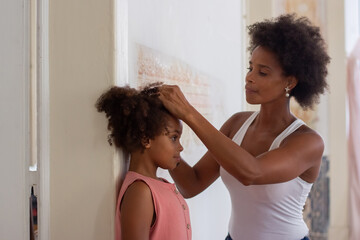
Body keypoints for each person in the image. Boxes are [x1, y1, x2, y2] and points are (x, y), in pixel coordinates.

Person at [159, 14, 330, 240]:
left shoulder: (308, 142)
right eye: (250, 68)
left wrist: (189, 113)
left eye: (262, 72)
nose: (249, 77)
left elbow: (251, 172)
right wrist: (161, 139)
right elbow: (192, 183)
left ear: (290, 82)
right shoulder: (236, 124)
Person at [95, 83, 191, 240]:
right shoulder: (141, 192)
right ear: (146, 139)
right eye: (174, 138)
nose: (180, 147)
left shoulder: (158, 185)